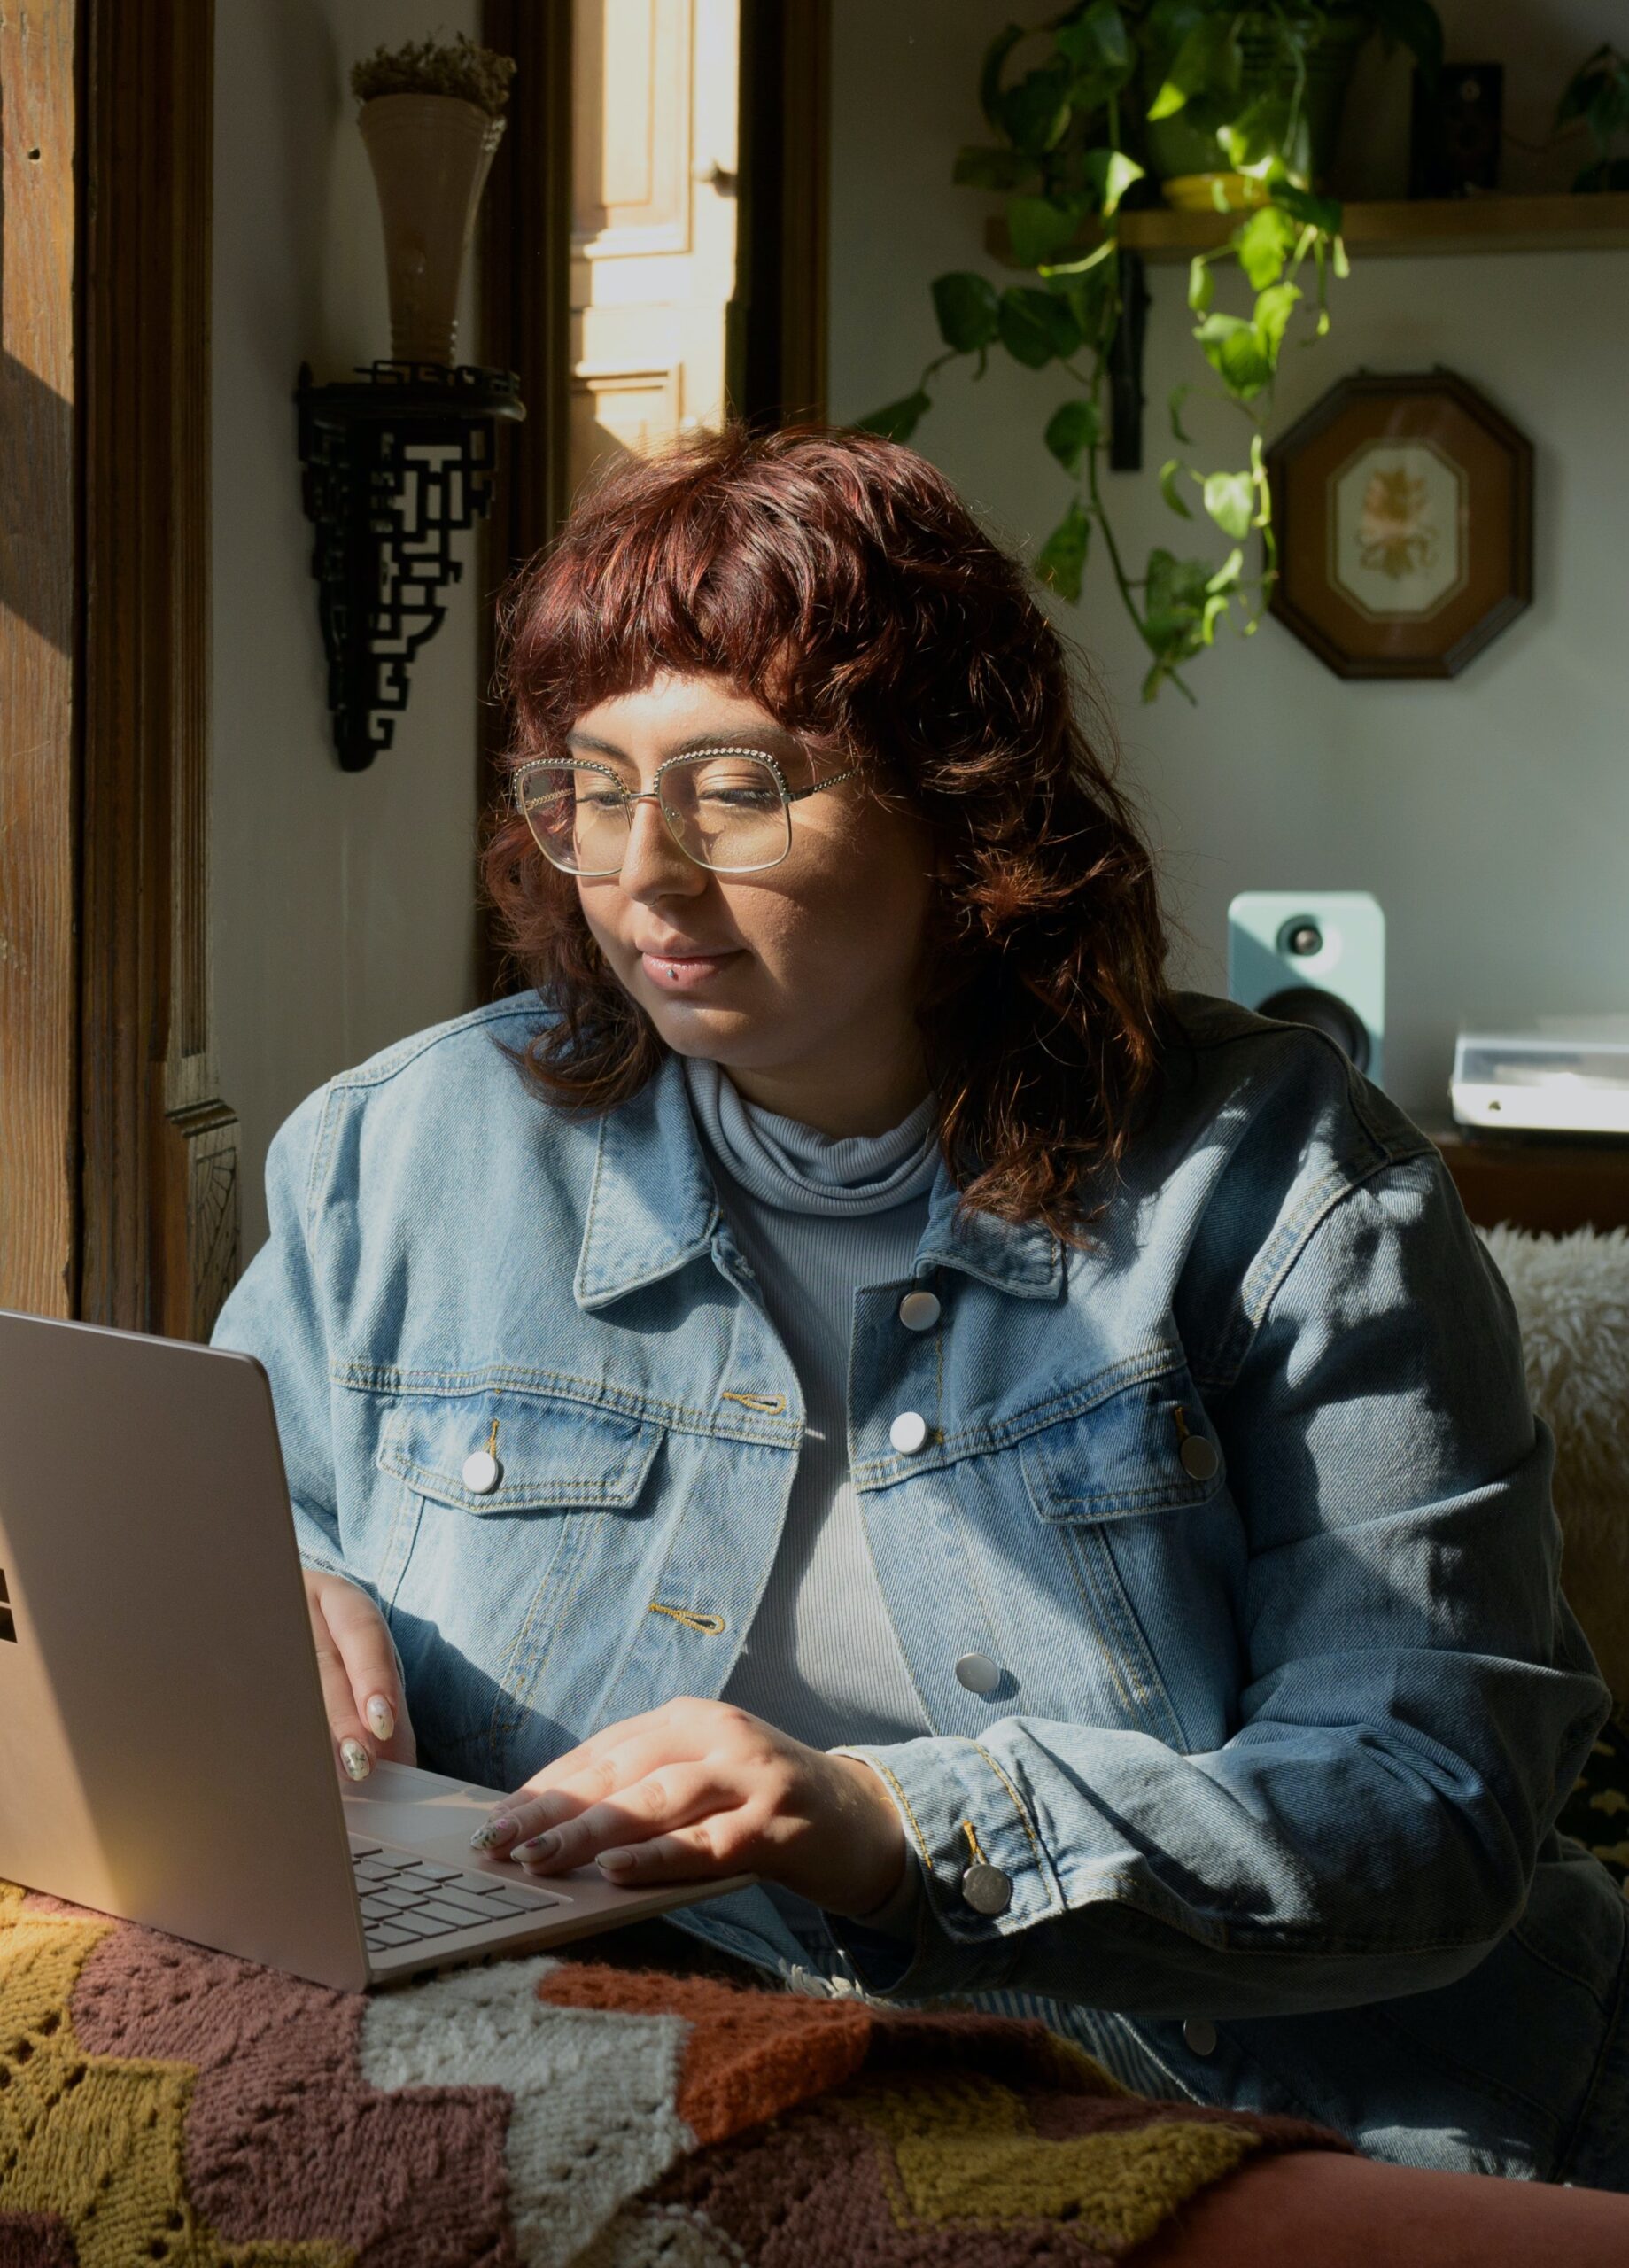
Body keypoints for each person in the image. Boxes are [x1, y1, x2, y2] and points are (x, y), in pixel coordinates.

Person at [213, 424, 1626, 2189]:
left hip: (1221, 2095)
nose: (641, 870)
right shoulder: (403, 1145)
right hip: (618, 2068)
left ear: (957, 796)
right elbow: (248, 1509)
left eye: (734, 784)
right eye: (584, 783)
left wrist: (885, 1824)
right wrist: (278, 1592)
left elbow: (1428, 1804)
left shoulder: (1281, 1185)